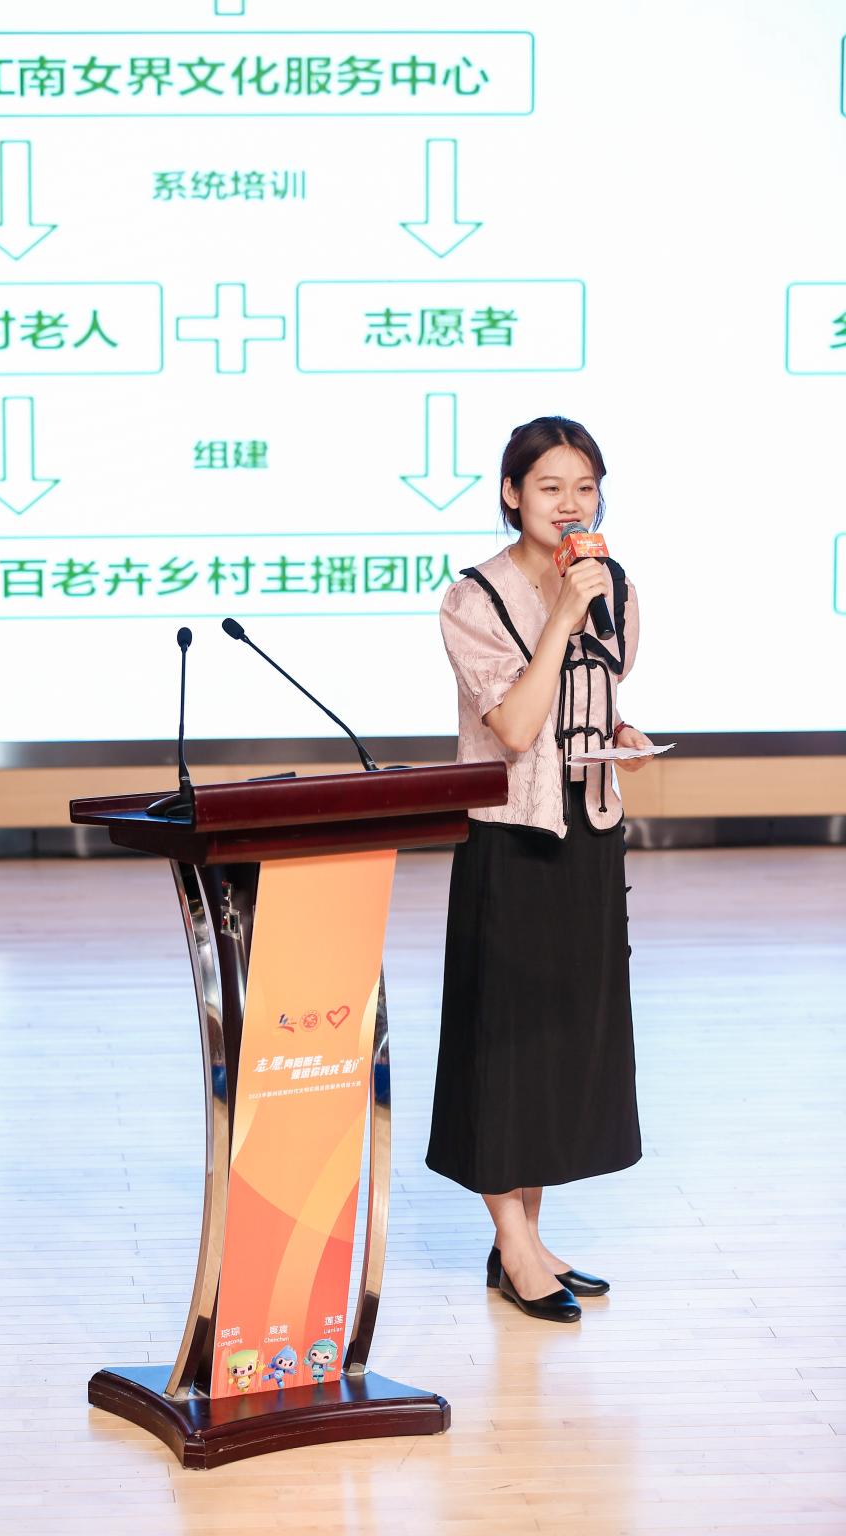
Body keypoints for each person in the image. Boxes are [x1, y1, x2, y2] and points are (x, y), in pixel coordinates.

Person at [426, 415, 654, 1324]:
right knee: (505, 1042)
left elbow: (593, 698)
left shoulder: (615, 586)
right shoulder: (472, 598)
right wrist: (560, 615)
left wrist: (619, 733)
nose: (570, 504)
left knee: (561, 1039)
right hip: (509, 840)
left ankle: (527, 1236)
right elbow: (516, 728)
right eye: (550, 487)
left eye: (585, 487)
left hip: (588, 832)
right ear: (511, 493)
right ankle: (511, 1244)